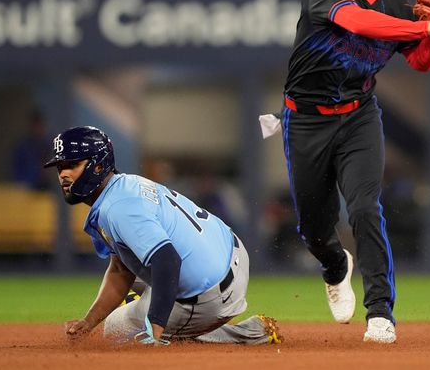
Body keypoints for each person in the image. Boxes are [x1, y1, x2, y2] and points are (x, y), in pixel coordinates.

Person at [280, 0, 430, 343]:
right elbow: (357, 21)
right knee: (314, 229)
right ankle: (334, 266)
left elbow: (421, 64)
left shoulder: (398, 3)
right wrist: (421, 29)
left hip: (358, 115)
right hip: (305, 119)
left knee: (366, 207)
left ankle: (380, 312)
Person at [45, 126, 281, 346]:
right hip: (230, 255)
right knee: (134, 268)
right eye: (60, 167)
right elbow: (121, 270)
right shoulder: (125, 184)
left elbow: (167, 260)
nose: (63, 174)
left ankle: (246, 333)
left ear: (98, 165)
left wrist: (155, 327)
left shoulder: (118, 208)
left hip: (210, 294)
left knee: (117, 332)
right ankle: (168, 315)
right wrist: (89, 322)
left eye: (72, 164)